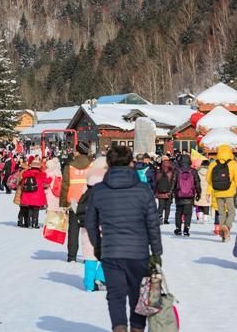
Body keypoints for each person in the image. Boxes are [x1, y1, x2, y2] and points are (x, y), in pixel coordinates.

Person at [85, 146, 162, 332]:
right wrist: (157, 252)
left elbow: (90, 222)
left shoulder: (99, 190)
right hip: (139, 252)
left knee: (116, 295)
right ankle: (136, 329)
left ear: (109, 164)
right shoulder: (143, 190)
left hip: (111, 250)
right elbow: (152, 223)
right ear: (130, 163)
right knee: (138, 294)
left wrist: (98, 246)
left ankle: (119, 328)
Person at [76, 158, 107, 292]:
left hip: (87, 224)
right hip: (104, 224)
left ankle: (89, 284)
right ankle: (100, 275)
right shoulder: (108, 182)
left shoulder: (87, 182)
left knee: (89, 254)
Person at [59, 141, 93, 262]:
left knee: (73, 229)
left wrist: (63, 203)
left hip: (73, 201)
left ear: (78, 151)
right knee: (89, 231)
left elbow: (65, 186)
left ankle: (71, 256)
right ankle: (89, 257)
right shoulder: (92, 166)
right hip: (89, 202)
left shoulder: (69, 166)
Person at [206, 144, 237, 242]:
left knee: (221, 213)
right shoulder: (233, 163)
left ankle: (223, 235)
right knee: (231, 212)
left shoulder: (213, 164)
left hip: (217, 192)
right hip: (230, 192)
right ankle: (227, 226)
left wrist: (208, 192)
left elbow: (209, 180)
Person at [173, 154, 201, 237]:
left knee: (178, 213)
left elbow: (173, 182)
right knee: (188, 214)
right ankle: (186, 229)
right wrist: (199, 193)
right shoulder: (193, 171)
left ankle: (178, 228)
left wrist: (171, 191)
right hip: (190, 195)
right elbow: (197, 184)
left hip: (179, 194)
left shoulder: (177, 170)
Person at [20, 158, 51, 228]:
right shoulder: (41, 174)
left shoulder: (27, 173)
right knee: (36, 210)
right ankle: (35, 223)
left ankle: (30, 223)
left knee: (30, 209)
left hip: (28, 194)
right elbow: (47, 181)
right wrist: (51, 178)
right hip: (37, 194)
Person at [155, 157, 175, 224]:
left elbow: (156, 182)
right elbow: (173, 182)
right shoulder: (171, 172)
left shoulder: (159, 172)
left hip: (160, 192)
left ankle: (159, 217)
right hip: (169, 192)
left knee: (160, 206)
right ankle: (166, 219)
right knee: (167, 207)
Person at [193, 159, 211, 223]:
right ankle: (205, 218)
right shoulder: (210, 172)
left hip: (199, 190)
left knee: (199, 204)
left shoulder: (198, 171)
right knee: (206, 204)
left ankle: (200, 217)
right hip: (207, 190)